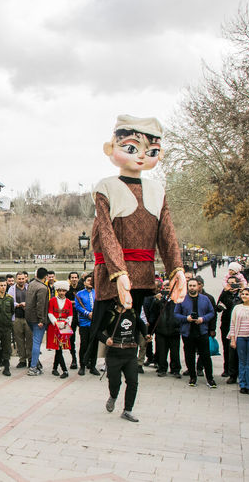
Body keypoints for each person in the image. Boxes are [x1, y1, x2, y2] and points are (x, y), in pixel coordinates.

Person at [86, 115, 186, 375]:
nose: (141, 156)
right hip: (112, 274)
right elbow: (106, 234)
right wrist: (118, 271)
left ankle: (128, 371)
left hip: (142, 273)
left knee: (130, 325)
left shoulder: (157, 190)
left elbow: (167, 233)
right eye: (131, 148)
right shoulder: (106, 187)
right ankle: (99, 365)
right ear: (112, 148)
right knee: (106, 324)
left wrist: (177, 270)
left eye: (151, 151)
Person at [98, 302, 150, 422]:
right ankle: (113, 396)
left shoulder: (132, 313)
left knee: (133, 382)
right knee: (114, 382)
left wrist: (146, 335)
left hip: (130, 354)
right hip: (114, 355)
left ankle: (127, 410)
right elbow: (98, 331)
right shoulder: (110, 314)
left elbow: (141, 325)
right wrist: (106, 340)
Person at [174, 279, 217, 388]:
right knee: (189, 356)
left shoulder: (205, 299)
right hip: (187, 332)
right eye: (190, 285)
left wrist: (203, 319)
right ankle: (192, 377)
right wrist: (186, 318)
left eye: (194, 285)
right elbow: (176, 314)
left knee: (205, 356)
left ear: (198, 286)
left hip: (202, 331)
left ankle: (210, 378)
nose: (192, 287)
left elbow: (212, 312)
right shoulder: (182, 299)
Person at [151, 281, 181, 378]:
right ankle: (162, 368)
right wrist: (157, 301)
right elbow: (153, 313)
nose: (168, 290)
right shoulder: (160, 300)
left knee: (175, 352)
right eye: (166, 288)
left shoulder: (177, 300)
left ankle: (175, 369)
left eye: (169, 288)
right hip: (161, 330)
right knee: (162, 352)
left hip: (174, 330)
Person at [218, 276, 243, 383]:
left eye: (233, 283)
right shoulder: (225, 294)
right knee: (226, 347)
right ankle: (227, 369)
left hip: (239, 325)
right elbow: (218, 306)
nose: (231, 285)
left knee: (237, 349)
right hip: (226, 323)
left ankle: (238, 372)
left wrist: (242, 291)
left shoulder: (242, 294)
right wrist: (224, 292)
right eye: (229, 283)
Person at [25, 267, 50, 376]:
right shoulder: (42, 288)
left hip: (29, 317)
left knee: (34, 341)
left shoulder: (31, 284)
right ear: (46, 276)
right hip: (37, 319)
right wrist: (41, 320)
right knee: (36, 342)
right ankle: (33, 367)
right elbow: (40, 305)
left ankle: (35, 363)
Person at [47, 281, 74, 378]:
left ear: (66, 291)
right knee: (58, 348)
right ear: (57, 291)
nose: (62, 293)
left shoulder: (68, 302)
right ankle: (64, 370)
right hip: (54, 326)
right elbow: (50, 312)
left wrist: (66, 323)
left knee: (59, 349)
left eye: (63, 291)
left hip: (64, 326)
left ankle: (55, 368)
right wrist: (55, 322)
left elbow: (70, 315)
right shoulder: (52, 300)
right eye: (60, 291)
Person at [74, 274, 98, 375]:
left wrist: (95, 314)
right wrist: (87, 313)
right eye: (88, 280)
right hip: (84, 323)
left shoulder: (97, 293)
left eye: (92, 281)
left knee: (94, 345)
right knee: (84, 344)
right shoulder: (79, 294)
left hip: (95, 323)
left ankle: (93, 366)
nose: (90, 282)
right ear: (84, 282)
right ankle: (82, 365)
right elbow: (78, 306)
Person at [8, 272, 32, 368]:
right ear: (16, 279)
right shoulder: (12, 289)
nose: (21, 280)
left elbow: (33, 300)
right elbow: (10, 301)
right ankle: (22, 360)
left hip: (28, 318)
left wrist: (27, 304)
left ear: (25, 279)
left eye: (23, 279)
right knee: (19, 340)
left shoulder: (29, 288)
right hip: (17, 318)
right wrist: (18, 304)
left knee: (30, 339)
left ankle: (30, 359)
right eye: (19, 279)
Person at [65, 272, 80, 370]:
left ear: (78, 278)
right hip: (70, 317)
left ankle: (85, 359)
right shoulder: (67, 289)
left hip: (81, 316)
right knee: (71, 339)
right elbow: (64, 301)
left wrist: (72, 302)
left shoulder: (82, 288)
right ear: (69, 279)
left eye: (75, 277)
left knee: (85, 338)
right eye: (72, 277)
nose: (74, 279)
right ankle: (73, 359)